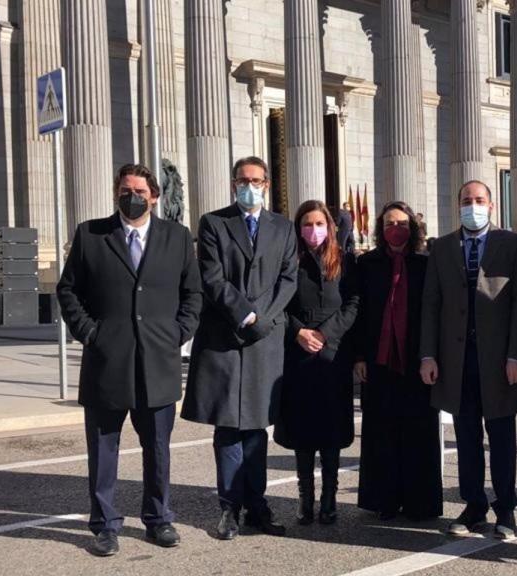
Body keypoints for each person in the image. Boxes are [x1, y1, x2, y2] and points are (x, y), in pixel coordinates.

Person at [56, 163, 202, 557]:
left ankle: (158, 518)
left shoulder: (177, 237)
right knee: (103, 449)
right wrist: (90, 332)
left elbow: (193, 294)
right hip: (107, 362)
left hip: (158, 362)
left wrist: (178, 332)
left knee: (158, 447)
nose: (131, 196)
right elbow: (68, 291)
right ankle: (104, 524)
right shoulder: (91, 234)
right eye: (124, 190)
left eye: (139, 190)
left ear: (154, 196)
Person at [181, 156, 298, 540]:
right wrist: (246, 316)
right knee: (228, 427)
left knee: (256, 428)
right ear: (234, 184)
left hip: (266, 338)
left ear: (267, 184)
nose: (250, 186)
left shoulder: (283, 226)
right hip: (225, 338)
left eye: (257, 180)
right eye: (243, 180)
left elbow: (288, 278)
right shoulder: (214, 223)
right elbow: (212, 277)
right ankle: (229, 507)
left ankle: (258, 506)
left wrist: (262, 318)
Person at [420, 180, 517, 540]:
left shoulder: (511, 244)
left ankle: (506, 509)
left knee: (501, 437)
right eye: (466, 200)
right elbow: (431, 305)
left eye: (479, 200)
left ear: (492, 205)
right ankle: (473, 505)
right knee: (466, 437)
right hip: (456, 360)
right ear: (458, 206)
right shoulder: (442, 247)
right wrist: (428, 355)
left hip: (499, 361)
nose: (473, 206)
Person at [355, 201, 443, 521]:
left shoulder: (426, 263)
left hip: (417, 361)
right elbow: (360, 313)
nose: (397, 229)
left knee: (419, 431)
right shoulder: (367, 263)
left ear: (413, 228)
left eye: (403, 223)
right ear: (381, 227)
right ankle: (385, 500)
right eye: (390, 223)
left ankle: (420, 502)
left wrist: (431, 356)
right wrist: (360, 356)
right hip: (378, 362)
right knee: (382, 431)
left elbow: (436, 312)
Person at [274, 200, 359, 525]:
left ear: (330, 227)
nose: (314, 230)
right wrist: (298, 332)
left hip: (334, 354)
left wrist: (325, 333)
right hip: (298, 355)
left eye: (319, 224)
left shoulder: (345, 260)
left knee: (332, 432)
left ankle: (329, 499)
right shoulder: (289, 260)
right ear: (298, 228)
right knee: (303, 432)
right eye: (307, 224)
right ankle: (305, 500)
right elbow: (279, 305)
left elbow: (353, 303)